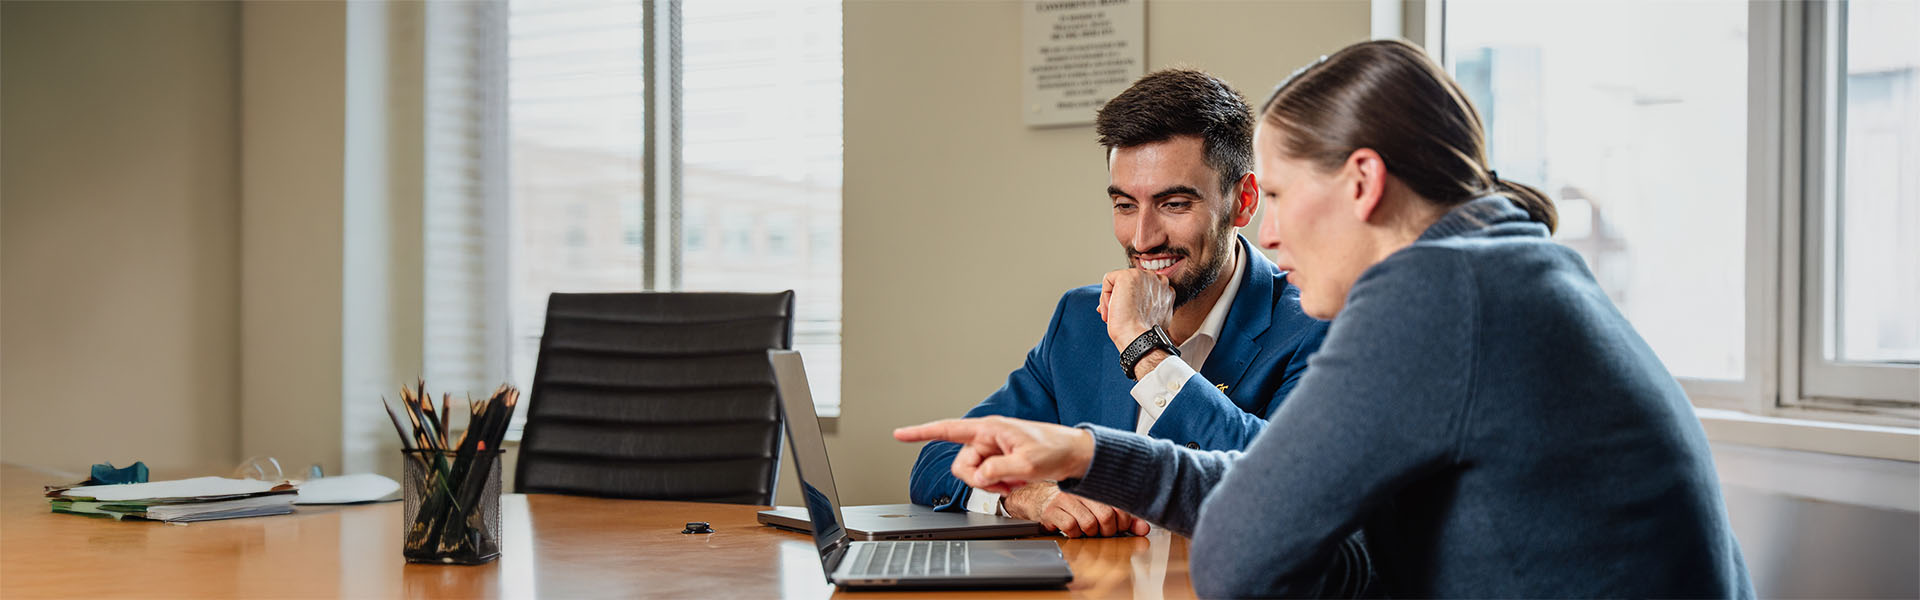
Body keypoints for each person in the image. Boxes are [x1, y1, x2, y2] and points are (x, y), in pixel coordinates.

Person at [896, 40, 1755, 597]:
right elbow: (1288, 507)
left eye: (1277, 195)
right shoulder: (1503, 270)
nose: (1268, 232)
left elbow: (1243, 555)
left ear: (1362, 183)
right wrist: (1088, 455)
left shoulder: (1433, 299)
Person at [906, 69, 1330, 538]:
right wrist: (1029, 494)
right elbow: (944, 460)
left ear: (1243, 202)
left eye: (1174, 203)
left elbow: (1287, 487)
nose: (1143, 239)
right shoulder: (1080, 321)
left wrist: (1144, 348)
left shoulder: (1315, 325)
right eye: (1125, 205)